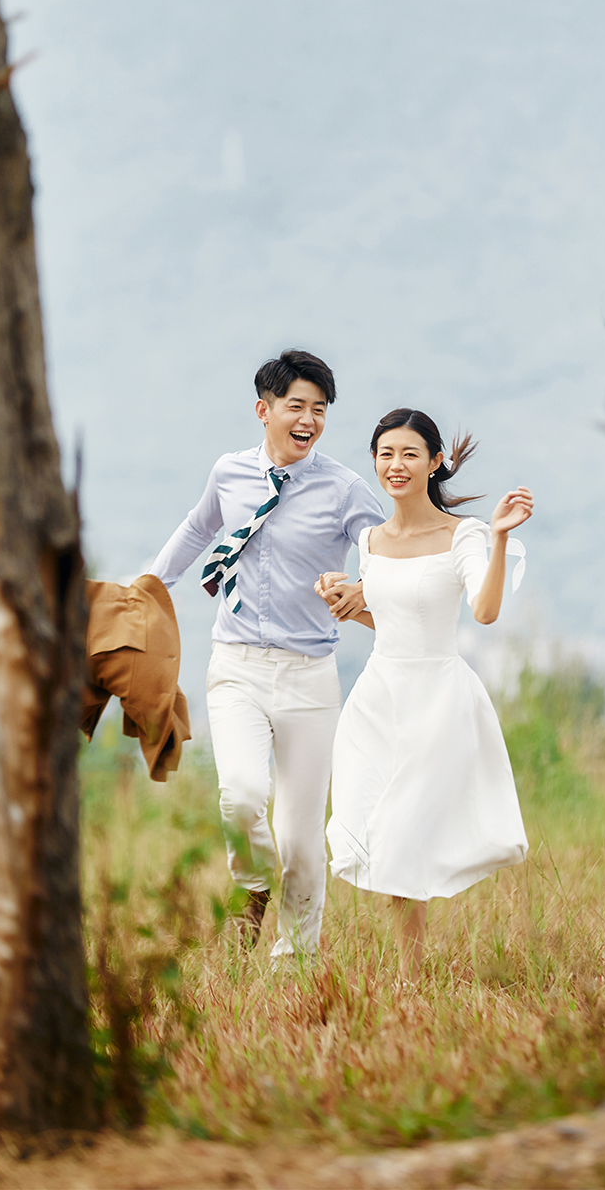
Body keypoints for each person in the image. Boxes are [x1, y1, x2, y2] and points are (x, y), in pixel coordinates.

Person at [150, 349, 385, 959]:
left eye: (320, 409)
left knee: (301, 839)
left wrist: (366, 589)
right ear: (264, 410)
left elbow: (383, 549)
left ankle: (295, 960)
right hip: (237, 665)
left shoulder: (344, 489)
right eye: (296, 406)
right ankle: (252, 885)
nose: (309, 420)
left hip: (310, 677)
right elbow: (197, 529)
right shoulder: (229, 473)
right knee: (242, 794)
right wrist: (152, 587)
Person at [316, 408, 532, 977]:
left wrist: (499, 537)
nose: (397, 464)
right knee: (386, 836)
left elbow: (484, 611)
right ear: (374, 461)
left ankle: (411, 981)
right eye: (386, 453)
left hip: (437, 699)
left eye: (410, 454)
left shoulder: (462, 535)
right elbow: (388, 623)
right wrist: (344, 602)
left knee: (405, 829)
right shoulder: (370, 540)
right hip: (377, 700)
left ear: (435, 462)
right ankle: (411, 980)